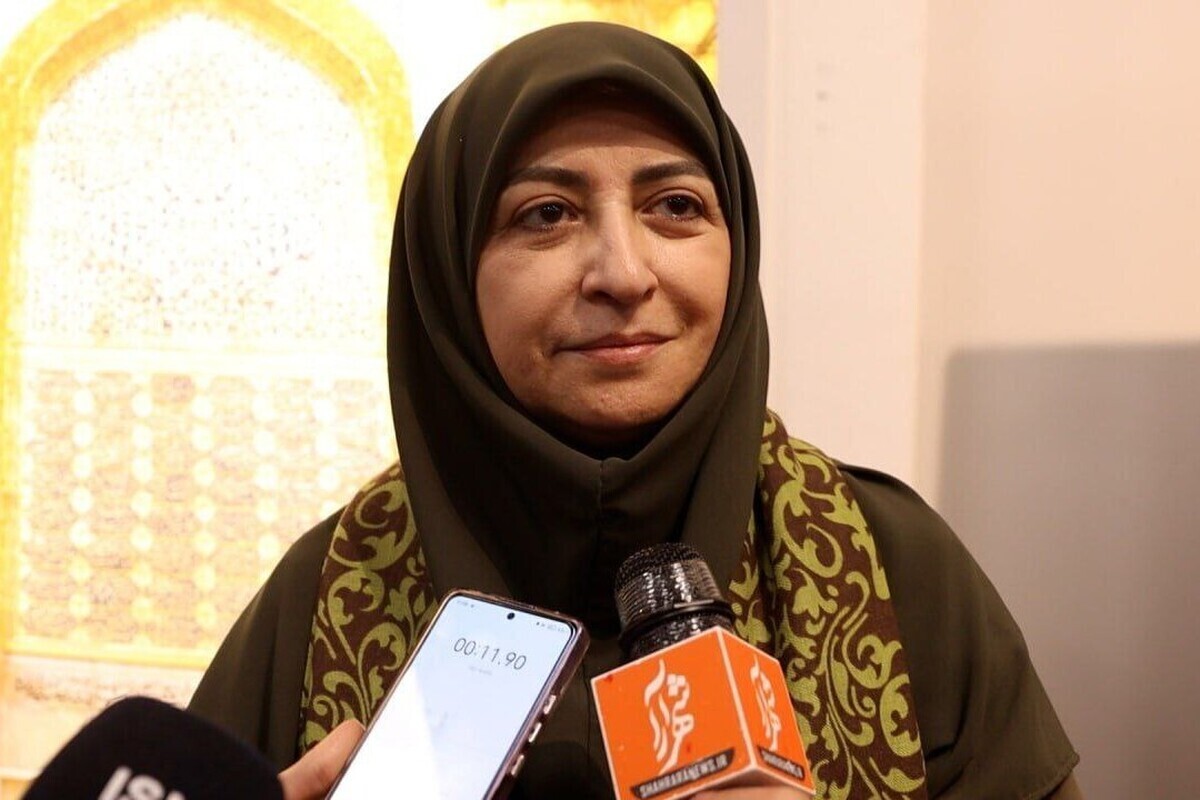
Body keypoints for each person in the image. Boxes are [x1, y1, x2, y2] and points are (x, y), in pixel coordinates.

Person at [190, 22, 1082, 799]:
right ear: (449, 271)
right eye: (546, 214)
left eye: (676, 206)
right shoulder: (319, 602)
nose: (623, 272)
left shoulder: (895, 569)